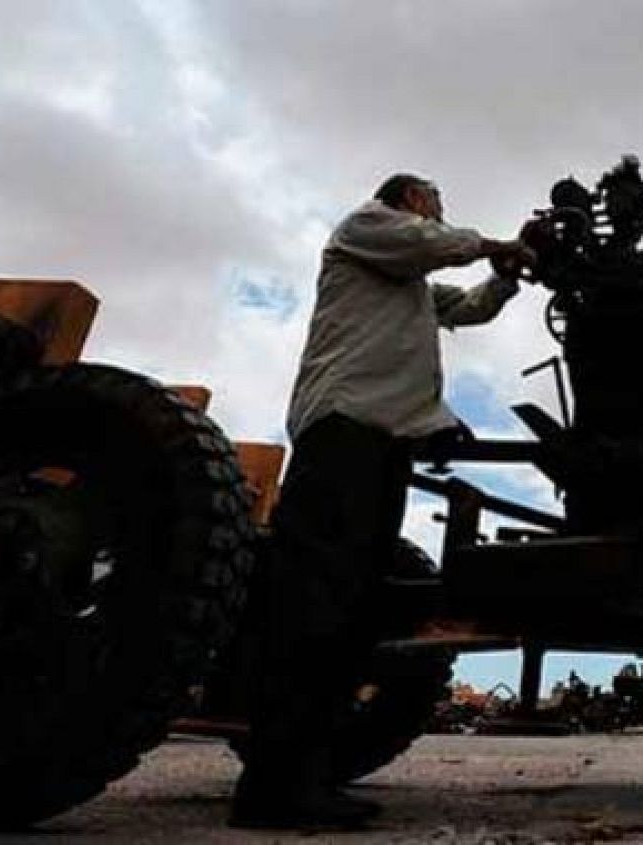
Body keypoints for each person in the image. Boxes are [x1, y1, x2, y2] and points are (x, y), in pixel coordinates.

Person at [231, 174, 535, 830]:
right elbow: (432, 244)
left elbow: (471, 305)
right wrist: (496, 241)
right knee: (315, 605)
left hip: (383, 441)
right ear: (412, 201)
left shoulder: (409, 287)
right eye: (436, 204)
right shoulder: (365, 227)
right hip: (343, 430)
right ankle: (273, 786)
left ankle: (304, 776)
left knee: (354, 610)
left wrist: (507, 275)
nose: (441, 215)